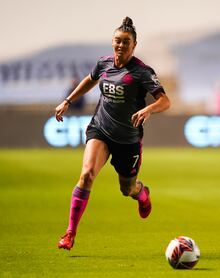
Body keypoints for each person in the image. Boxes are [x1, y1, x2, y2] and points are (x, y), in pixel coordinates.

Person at [54, 16, 170, 250]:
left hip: (128, 140)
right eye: (117, 41)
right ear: (112, 42)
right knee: (86, 175)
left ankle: (141, 192)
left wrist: (148, 109)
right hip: (101, 129)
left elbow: (165, 101)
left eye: (126, 42)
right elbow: (90, 80)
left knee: (127, 189)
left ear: (134, 45)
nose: (120, 46)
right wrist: (68, 100)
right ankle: (70, 233)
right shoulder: (104, 63)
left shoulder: (142, 72)